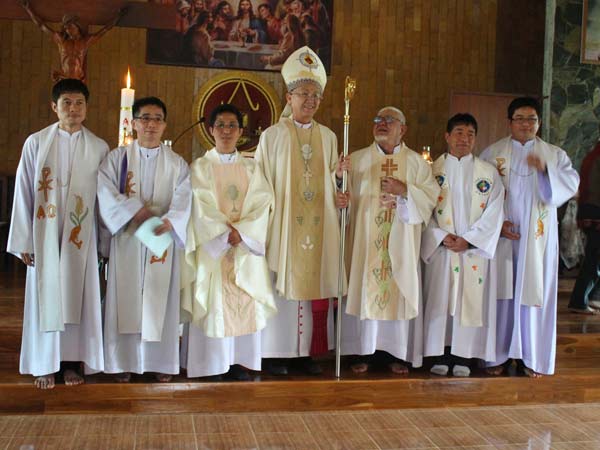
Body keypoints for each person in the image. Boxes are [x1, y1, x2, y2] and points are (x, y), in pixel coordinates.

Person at [7, 79, 109, 389]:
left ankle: (70, 363)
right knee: (46, 296)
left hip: (82, 236)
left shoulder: (99, 147)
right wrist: (24, 238)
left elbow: (105, 200)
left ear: (86, 108)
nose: (73, 109)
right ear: (54, 106)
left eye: (79, 103)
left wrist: (104, 243)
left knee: (78, 300)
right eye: (66, 103)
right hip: (45, 234)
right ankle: (44, 364)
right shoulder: (36, 143)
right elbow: (23, 191)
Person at [256, 46, 346, 375]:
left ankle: (309, 353)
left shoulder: (330, 136)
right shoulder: (272, 136)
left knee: (314, 282)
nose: (310, 101)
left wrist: (339, 187)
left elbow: (334, 182)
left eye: (316, 96)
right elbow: (261, 183)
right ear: (288, 96)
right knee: (281, 289)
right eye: (303, 93)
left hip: (318, 226)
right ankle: (277, 353)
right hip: (283, 227)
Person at [481, 97, 579, 378]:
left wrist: (546, 171)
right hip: (502, 238)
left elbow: (570, 185)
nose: (526, 124)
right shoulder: (492, 153)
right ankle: (495, 357)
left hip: (538, 240)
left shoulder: (554, 155)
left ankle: (532, 358)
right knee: (501, 296)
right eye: (520, 118)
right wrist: (498, 224)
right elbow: (481, 195)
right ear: (509, 121)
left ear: (539, 123)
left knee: (533, 296)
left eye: (531, 119)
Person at [97, 97, 191, 383]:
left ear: (164, 124)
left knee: (158, 301)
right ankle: (122, 361)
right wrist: (132, 211)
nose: (151, 124)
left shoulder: (177, 163)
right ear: (134, 122)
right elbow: (105, 190)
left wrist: (171, 220)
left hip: (160, 239)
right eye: (145, 118)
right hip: (127, 238)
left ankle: (160, 361)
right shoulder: (117, 158)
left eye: (157, 119)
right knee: (125, 300)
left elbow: (185, 196)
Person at [340, 106, 439, 374]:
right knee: (365, 290)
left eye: (389, 120)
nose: (382, 124)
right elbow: (343, 201)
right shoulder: (357, 160)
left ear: (403, 129)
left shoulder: (417, 163)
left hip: (402, 243)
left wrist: (404, 190)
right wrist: (342, 198)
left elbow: (430, 198)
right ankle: (363, 352)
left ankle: (397, 353)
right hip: (365, 243)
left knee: (398, 287)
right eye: (377, 119)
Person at [181, 104, 275, 381]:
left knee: (245, 298)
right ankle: (211, 364)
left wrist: (243, 232)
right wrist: (225, 234)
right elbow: (200, 205)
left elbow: (263, 202)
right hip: (215, 249)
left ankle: (240, 362)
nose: (226, 130)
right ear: (210, 130)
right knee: (213, 301)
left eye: (232, 125)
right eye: (220, 125)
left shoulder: (252, 167)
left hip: (243, 247)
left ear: (241, 132)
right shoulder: (199, 167)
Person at [421, 113, 504, 377]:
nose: (464, 139)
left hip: (471, 252)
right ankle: (439, 354)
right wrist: (439, 235)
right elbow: (423, 210)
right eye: (458, 132)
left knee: (468, 303)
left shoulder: (487, 172)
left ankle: (464, 358)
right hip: (442, 249)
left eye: (470, 134)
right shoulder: (431, 171)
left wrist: (469, 240)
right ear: (447, 136)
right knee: (440, 302)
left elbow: (495, 211)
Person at [19, 0, 125, 82]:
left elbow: (105, 30)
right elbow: (41, 25)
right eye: (65, 28)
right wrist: (28, 9)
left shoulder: (85, 42)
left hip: (78, 79)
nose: (67, 30)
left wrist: (118, 17)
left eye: (69, 27)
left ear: (77, 26)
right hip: (64, 77)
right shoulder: (61, 40)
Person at [568, 141, 600, 314]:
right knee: (593, 258)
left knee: (594, 256)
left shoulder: (592, 154)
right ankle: (579, 301)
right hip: (596, 211)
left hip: (590, 210)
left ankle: (593, 297)